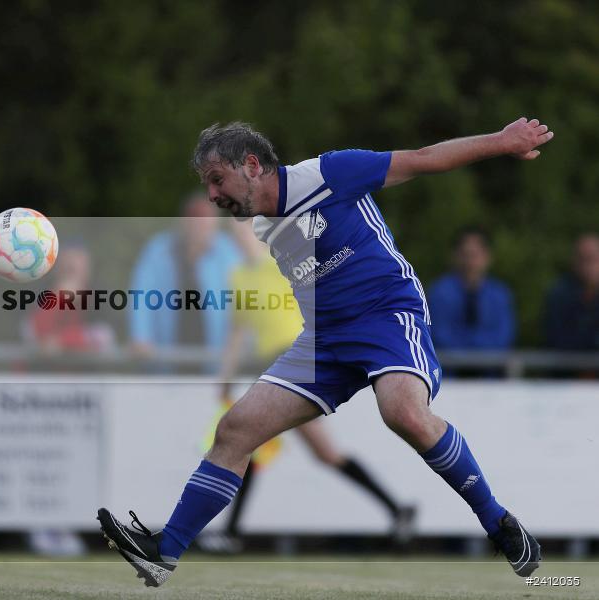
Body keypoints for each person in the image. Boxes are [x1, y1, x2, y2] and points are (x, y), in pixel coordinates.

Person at [98, 117, 553, 586]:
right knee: (235, 429)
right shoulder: (260, 224)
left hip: (385, 315)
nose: (213, 195)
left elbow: (422, 159)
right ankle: (164, 550)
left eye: (217, 180)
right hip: (324, 339)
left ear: (252, 165)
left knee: (403, 413)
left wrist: (500, 142)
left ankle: (497, 520)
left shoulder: (329, 173)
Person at [196, 220, 415, 554]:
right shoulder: (239, 277)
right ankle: (396, 509)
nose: (240, 235)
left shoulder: (278, 261)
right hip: (275, 365)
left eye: (243, 228)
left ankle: (231, 532)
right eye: (234, 231)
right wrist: (225, 378)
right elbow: (237, 332)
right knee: (316, 452)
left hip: (297, 359)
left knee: (257, 443)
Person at [129, 192, 242, 366]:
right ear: (183, 221)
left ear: (215, 224)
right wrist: (141, 336)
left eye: (205, 222)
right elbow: (141, 295)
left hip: (214, 362)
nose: (199, 228)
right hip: (165, 359)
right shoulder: (158, 251)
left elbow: (244, 302)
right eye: (195, 220)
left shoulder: (228, 253)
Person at [428, 227, 516, 354]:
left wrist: (474, 347)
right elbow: (438, 335)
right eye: (465, 255)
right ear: (455, 256)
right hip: (449, 369)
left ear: (488, 257)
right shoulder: (439, 292)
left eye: (475, 255)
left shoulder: (500, 294)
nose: (470, 262)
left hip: (490, 370)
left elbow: (504, 337)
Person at [544, 232, 599, 351]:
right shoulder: (559, 296)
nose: (588, 265)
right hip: (569, 365)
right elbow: (557, 337)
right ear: (574, 261)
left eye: (593, 258)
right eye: (582, 259)